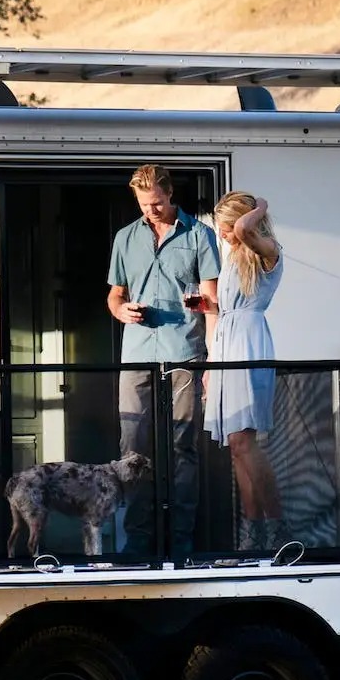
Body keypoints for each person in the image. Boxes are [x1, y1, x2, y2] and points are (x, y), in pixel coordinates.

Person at [106, 164, 220, 559]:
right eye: (143, 204)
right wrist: (122, 312)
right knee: (133, 448)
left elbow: (212, 303)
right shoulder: (125, 238)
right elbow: (115, 296)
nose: (150, 211)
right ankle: (137, 542)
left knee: (182, 448)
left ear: (170, 195)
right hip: (137, 354)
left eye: (156, 203)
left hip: (183, 355)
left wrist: (209, 360)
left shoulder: (199, 236)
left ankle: (180, 540)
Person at [206, 192, 287, 552]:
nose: (224, 232)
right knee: (236, 448)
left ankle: (277, 527)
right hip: (228, 343)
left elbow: (243, 227)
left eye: (225, 226)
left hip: (249, 345)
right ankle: (251, 535)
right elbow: (228, 307)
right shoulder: (234, 259)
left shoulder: (266, 250)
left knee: (245, 442)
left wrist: (262, 206)